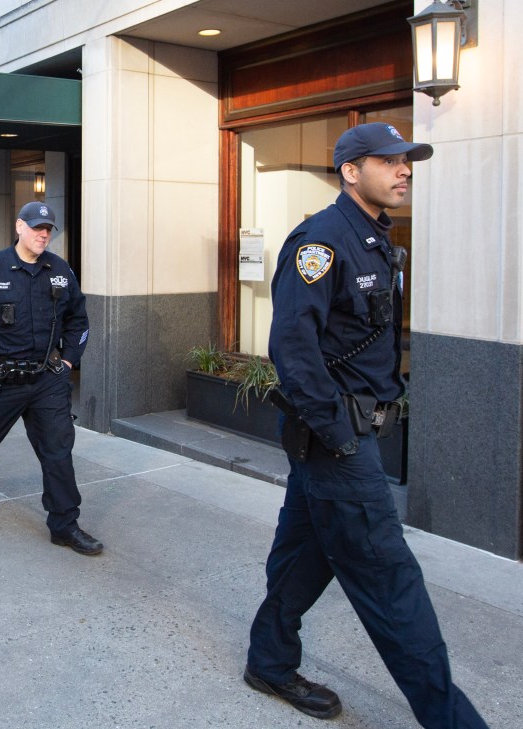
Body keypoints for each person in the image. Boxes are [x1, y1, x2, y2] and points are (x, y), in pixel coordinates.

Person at [244, 123, 488, 728]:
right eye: (389, 161)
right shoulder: (322, 241)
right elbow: (293, 350)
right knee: (389, 580)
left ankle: (269, 661)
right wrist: (341, 435)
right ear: (351, 171)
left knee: (306, 553)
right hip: (337, 440)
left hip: (346, 434)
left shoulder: (376, 238)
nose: (404, 170)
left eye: (408, 161)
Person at [0, 202, 101, 556]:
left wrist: (70, 362)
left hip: (47, 379)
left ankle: (64, 525)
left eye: (48, 229)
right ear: (19, 227)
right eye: (36, 228)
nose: (43, 234)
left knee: (58, 452)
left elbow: (79, 320)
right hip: (1, 379)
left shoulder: (60, 271)